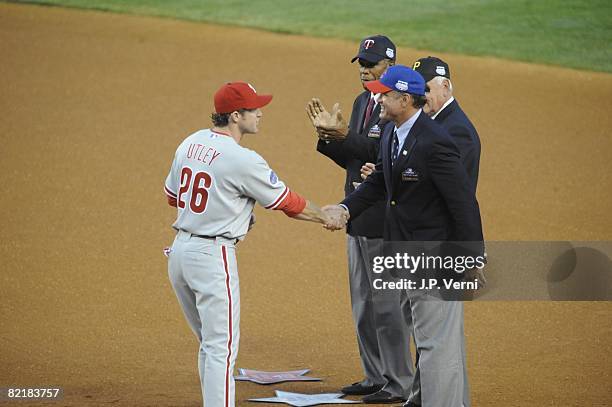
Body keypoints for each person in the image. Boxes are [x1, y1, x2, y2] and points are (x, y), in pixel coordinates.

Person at [163, 82, 340, 407]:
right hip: (211, 257)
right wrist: (326, 215)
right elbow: (288, 202)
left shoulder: (189, 143)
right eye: (253, 109)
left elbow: (173, 196)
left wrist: (228, 209)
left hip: (179, 254)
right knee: (221, 349)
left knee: (209, 344)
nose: (260, 113)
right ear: (234, 116)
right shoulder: (242, 159)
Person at [323, 65, 484, 407]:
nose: (377, 97)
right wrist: (346, 208)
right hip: (407, 252)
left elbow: (463, 203)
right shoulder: (391, 132)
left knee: (435, 344)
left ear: (406, 99)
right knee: (436, 342)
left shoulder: (436, 142)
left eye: (386, 93)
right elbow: (380, 181)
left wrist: (472, 256)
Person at [307, 35, 414, 402]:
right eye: (362, 63)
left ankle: (398, 382)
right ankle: (375, 376)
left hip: (384, 217)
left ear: (391, 64)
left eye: (372, 63)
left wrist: (345, 135)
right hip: (357, 214)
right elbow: (357, 157)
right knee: (364, 306)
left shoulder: (398, 105)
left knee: (387, 307)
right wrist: (330, 138)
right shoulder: (361, 101)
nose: (365, 70)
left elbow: (382, 152)